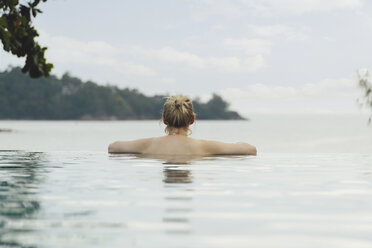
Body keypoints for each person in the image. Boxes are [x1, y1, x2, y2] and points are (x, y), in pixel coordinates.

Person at [108, 95, 257, 155]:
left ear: (164, 120)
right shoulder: (205, 146)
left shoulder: (147, 145)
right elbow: (250, 150)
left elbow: (113, 147)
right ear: (192, 120)